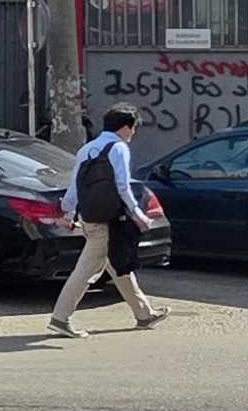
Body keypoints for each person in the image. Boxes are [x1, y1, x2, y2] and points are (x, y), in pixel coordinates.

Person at [49, 103, 166, 335]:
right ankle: (60, 318)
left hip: (91, 217)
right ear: (125, 127)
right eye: (133, 129)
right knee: (85, 270)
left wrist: (67, 213)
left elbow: (75, 186)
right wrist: (138, 213)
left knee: (118, 266)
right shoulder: (118, 148)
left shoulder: (87, 148)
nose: (133, 134)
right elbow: (123, 185)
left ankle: (144, 314)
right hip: (109, 220)